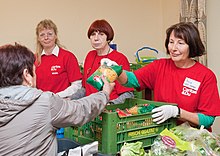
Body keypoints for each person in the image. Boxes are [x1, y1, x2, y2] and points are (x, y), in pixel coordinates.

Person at [0, 43, 114, 156]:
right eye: (34, 72)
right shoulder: (44, 102)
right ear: (27, 75)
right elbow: (81, 110)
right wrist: (104, 93)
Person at [102, 22, 220, 130]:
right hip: (162, 136)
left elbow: (208, 119)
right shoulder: (159, 66)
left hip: (193, 139)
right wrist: (117, 70)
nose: (173, 48)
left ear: (192, 45)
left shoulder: (206, 76)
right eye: (171, 42)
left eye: (180, 43)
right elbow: (133, 80)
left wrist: (177, 112)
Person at [82, 19, 134, 104]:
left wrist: (110, 104)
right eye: (93, 34)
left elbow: (128, 94)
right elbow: (85, 88)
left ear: (108, 38)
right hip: (90, 109)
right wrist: (70, 99)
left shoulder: (119, 58)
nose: (96, 38)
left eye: (101, 34)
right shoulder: (89, 56)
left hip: (110, 110)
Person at [35, 19, 82, 98]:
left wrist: (57, 96)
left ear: (56, 36)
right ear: (38, 38)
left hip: (62, 102)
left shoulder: (68, 57)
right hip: (41, 103)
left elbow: (77, 84)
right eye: (42, 35)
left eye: (50, 34)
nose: (46, 38)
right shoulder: (34, 59)